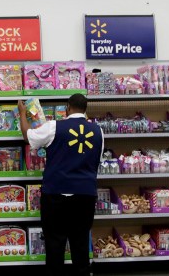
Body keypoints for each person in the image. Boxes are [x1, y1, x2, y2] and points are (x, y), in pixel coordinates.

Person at [18, 94, 103, 276]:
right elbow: (96, 161)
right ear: (85, 109)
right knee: (80, 244)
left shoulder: (54, 126)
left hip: (56, 196)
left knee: (54, 244)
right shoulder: (98, 132)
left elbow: (28, 137)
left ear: (67, 108)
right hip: (85, 196)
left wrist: (22, 113)